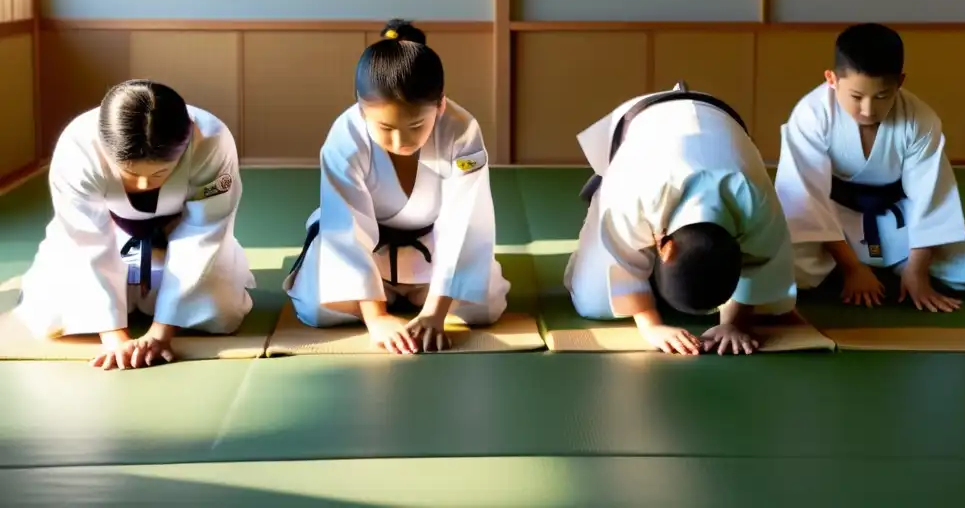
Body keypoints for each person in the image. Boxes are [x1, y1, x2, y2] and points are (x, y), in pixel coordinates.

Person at [284, 19, 509, 354]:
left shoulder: (461, 130)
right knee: (318, 309)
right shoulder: (345, 136)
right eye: (385, 127)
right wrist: (376, 318)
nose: (401, 140)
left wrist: (436, 312)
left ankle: (420, 299)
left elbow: (465, 220)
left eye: (416, 124)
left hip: (430, 241)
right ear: (361, 108)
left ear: (440, 105)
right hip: (370, 246)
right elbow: (345, 227)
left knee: (484, 307)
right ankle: (387, 298)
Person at [14, 80, 255, 370]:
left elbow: (205, 232)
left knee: (220, 308)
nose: (142, 184)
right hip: (109, 235)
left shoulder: (211, 140)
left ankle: (162, 303)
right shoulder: (79, 145)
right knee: (54, 308)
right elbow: (84, 240)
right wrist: (116, 341)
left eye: (160, 173)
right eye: (129, 172)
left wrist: (160, 333)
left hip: (174, 238)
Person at [564, 83, 798, 356]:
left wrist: (734, 324)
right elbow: (619, 257)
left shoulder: (756, 201)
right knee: (595, 303)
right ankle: (603, 202)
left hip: (719, 118)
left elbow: (762, 262)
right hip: (641, 119)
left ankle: (665, 279)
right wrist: (651, 326)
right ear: (665, 247)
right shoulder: (635, 192)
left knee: (776, 306)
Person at [774, 23, 965, 312]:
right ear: (832, 79)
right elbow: (805, 198)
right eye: (856, 97)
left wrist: (918, 270)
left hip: (896, 217)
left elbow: (930, 199)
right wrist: (851, 268)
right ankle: (850, 265)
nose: (867, 110)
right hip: (833, 217)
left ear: (900, 82)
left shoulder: (919, 119)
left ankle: (902, 266)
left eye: (881, 96)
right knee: (783, 262)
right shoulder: (811, 115)